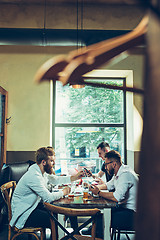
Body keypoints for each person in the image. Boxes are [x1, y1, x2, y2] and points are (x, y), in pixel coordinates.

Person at [10, 147, 84, 236]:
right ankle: (62, 237)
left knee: (66, 210)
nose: (54, 163)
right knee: (55, 220)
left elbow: (55, 179)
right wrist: (63, 192)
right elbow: (48, 198)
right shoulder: (34, 176)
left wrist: (75, 177)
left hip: (33, 207)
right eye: (52, 161)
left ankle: (76, 235)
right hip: (25, 214)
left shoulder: (40, 172)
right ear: (44, 162)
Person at [89, 150, 139, 238]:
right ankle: (96, 236)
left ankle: (98, 237)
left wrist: (99, 192)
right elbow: (109, 185)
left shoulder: (125, 174)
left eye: (106, 164)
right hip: (125, 209)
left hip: (133, 215)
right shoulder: (119, 172)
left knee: (101, 218)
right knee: (98, 214)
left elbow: (116, 197)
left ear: (114, 164)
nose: (105, 167)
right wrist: (94, 187)